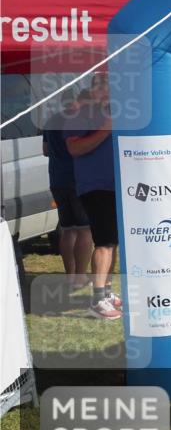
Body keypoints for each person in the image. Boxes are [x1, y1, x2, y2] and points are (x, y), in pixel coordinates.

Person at [65, 75, 121, 320]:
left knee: (113, 242)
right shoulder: (80, 114)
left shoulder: (115, 111)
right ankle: (97, 300)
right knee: (105, 242)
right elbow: (74, 148)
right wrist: (105, 130)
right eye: (102, 85)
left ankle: (106, 293)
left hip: (117, 185)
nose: (107, 89)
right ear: (93, 89)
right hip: (95, 186)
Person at [42, 91, 93, 291]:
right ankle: (80, 277)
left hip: (57, 179)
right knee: (85, 229)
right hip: (78, 179)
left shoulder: (51, 120)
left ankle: (70, 276)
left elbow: (45, 150)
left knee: (67, 229)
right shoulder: (81, 121)